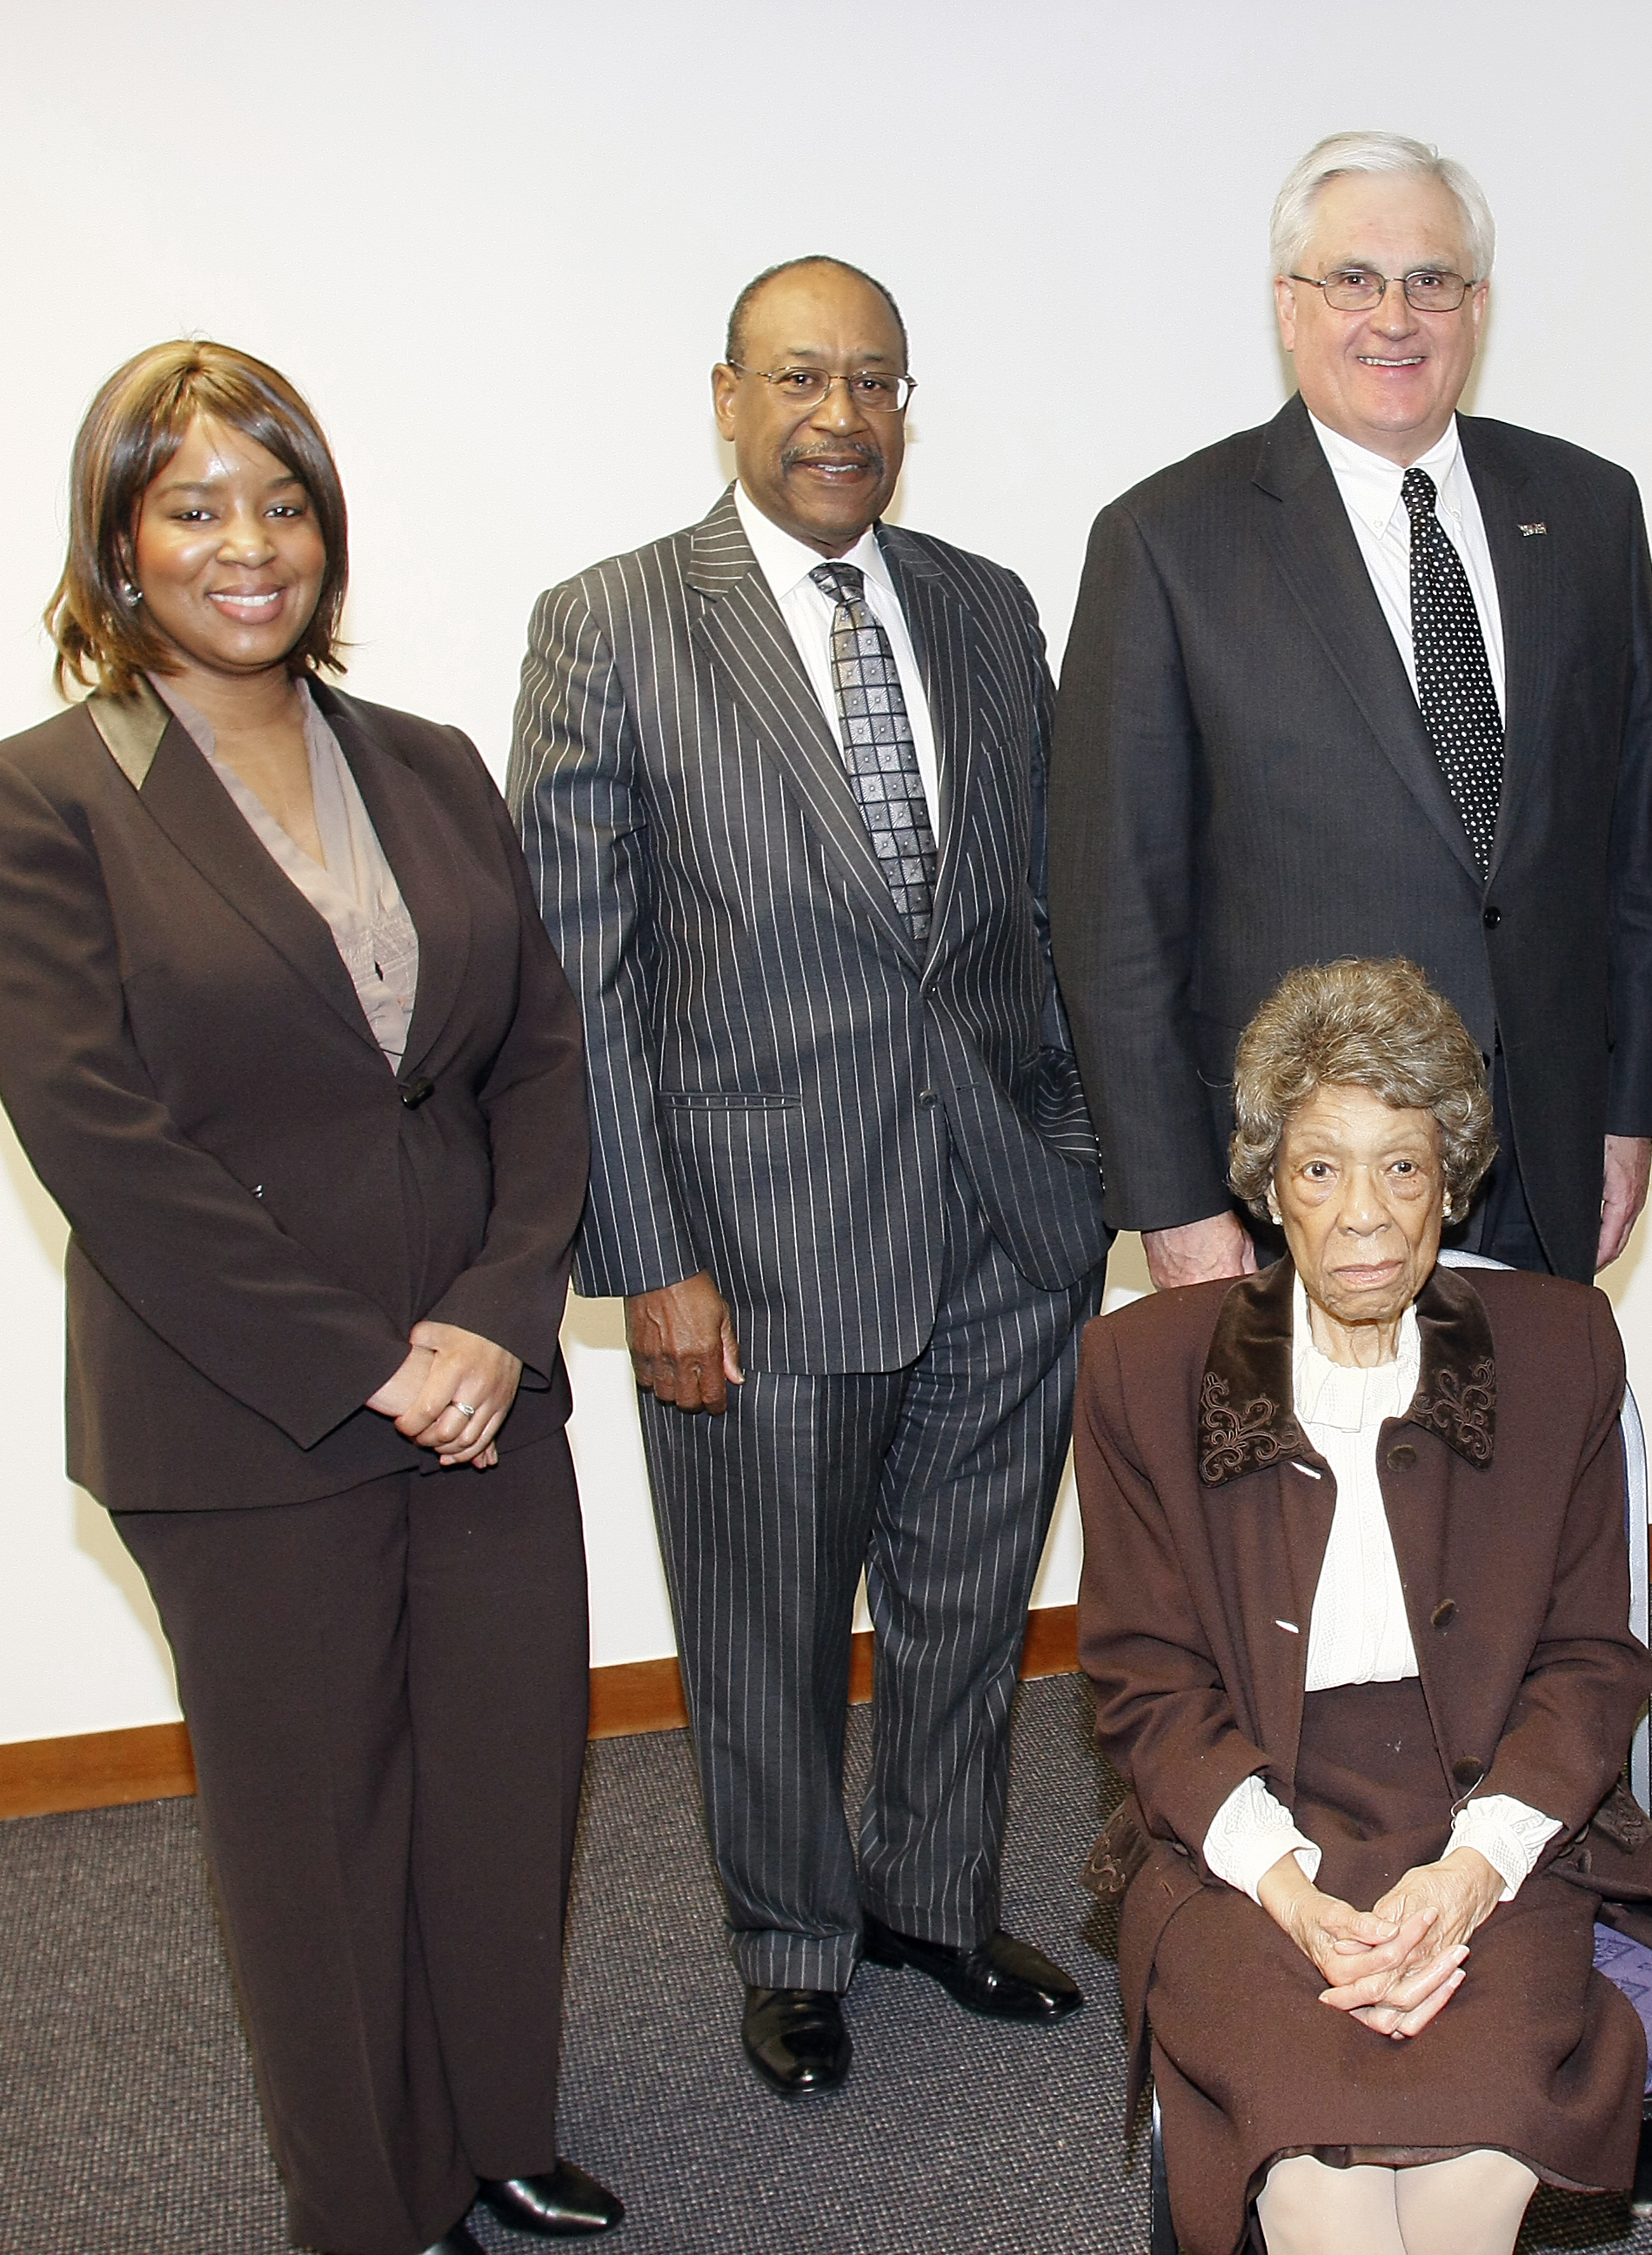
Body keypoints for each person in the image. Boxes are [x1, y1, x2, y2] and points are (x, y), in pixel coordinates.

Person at [0, 342, 618, 2255]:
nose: (250, 545)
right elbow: (105, 1145)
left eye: (284, 500)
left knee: (505, 1783)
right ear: (119, 541)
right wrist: (366, 1366)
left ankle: (497, 2129)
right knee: (317, 1837)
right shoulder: (37, 800)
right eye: (195, 506)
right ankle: (373, 2198)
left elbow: (536, 1063)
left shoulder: (427, 760)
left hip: (491, 1383)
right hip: (241, 1413)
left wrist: (495, 1318)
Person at [509, 257, 1108, 2101]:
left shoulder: (991, 611)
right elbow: (577, 969)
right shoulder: (610, 623)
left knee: (967, 1597)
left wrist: (1080, 1167)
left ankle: (934, 1896)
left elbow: (1050, 910)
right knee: (765, 1630)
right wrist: (648, 1259)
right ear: (725, 396)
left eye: (874, 382)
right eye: (800, 379)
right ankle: (790, 1943)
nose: (841, 417)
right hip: (754, 1259)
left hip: (1005, 1224)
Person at [1075, 958, 1652, 2255]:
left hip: (1496, 1815)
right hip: (1246, 1837)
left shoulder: (1558, 1347)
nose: (1364, 1215)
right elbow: (1145, 1684)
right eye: (1321, 1169)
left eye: (1402, 1167)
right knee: (1315, 2180)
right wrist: (1292, 1892)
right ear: (1269, 1186)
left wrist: (1470, 1875)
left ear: (1450, 1179)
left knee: (1477, 2160)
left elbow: (1590, 1662)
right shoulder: (1144, 1371)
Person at [1051, 130, 1652, 1292]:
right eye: (1352, 279)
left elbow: (1639, 845)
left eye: (1430, 281)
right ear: (1290, 307)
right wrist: (1173, 1202)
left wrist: (1630, 1112)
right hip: (1288, 1187)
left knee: (1529, 1472)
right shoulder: (1167, 542)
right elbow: (1115, 920)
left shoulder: (1591, 511)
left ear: (1479, 307)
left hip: (1540, 1163)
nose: (1394, 318)